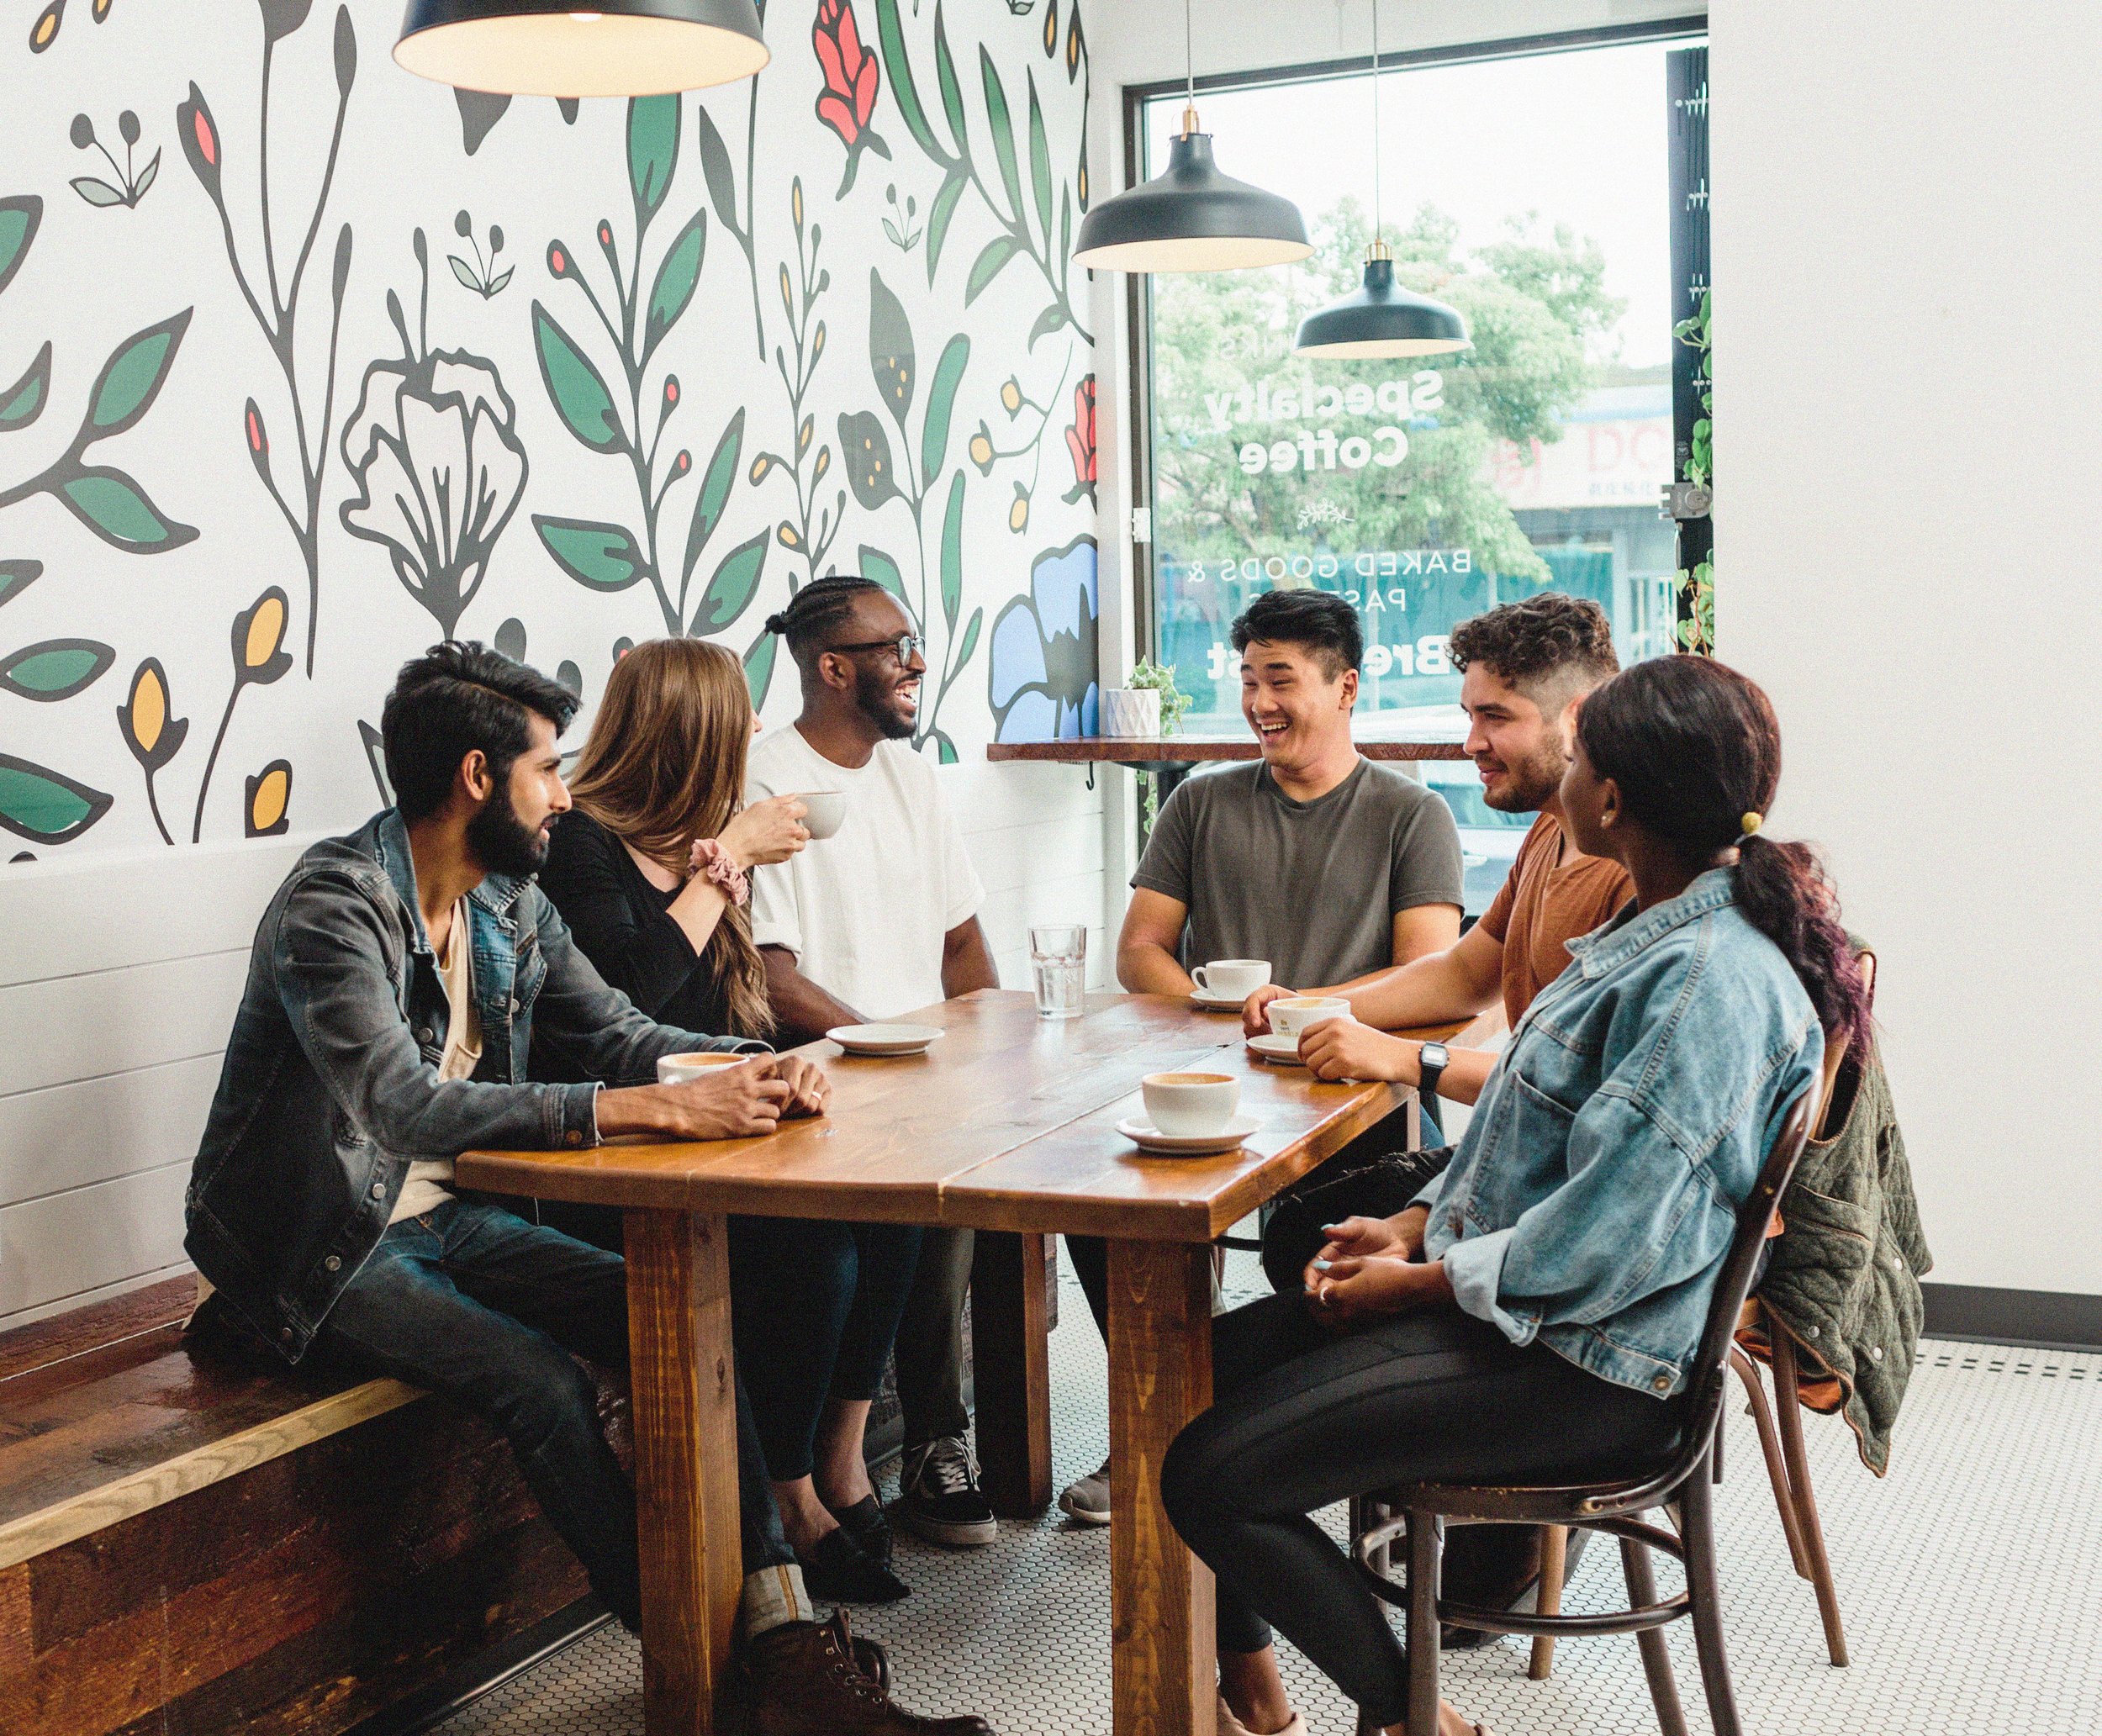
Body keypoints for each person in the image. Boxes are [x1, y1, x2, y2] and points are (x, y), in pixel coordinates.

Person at [183, 641, 991, 1736]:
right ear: (478, 777)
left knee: (680, 1323)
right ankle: (731, 1669)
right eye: (547, 768)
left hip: (454, 1216)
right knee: (542, 1383)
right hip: (326, 1243)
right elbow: (402, 1107)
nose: (568, 792)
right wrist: (650, 1109)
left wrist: (749, 1063)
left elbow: (616, 1030)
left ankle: (784, 1640)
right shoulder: (336, 906)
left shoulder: (504, 900)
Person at [1159, 653, 1862, 1736]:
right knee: (1180, 1378)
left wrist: (1411, 1286)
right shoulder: (1663, 932)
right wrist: (1408, 1221)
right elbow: (1547, 1150)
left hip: (1587, 1366)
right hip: (1543, 1321)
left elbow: (1600, 1244)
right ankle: (1267, 1682)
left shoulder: (1698, 982)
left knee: (1213, 1473)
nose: (1561, 772)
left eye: (1578, 759)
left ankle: (1415, 1718)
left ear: (1613, 798)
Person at [1061, 587, 1464, 1524]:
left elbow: (1429, 976)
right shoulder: (1200, 799)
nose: (1258, 702)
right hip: (1213, 1081)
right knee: (1096, 1193)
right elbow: (1139, 952)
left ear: (1346, 687)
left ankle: (1310, 1431)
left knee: (1328, 1229)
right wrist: (1217, 1007)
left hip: (1359, 1097)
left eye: (1280, 679)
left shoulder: (1413, 814)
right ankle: (1157, 1416)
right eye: (1246, 679)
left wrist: (1305, 1017)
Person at [536, 637, 925, 1603]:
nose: (756, 730)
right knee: (817, 1254)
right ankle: (788, 1494)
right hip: (608, 1155)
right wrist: (729, 867)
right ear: (688, 734)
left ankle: (839, 1460)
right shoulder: (581, 845)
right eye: (738, 714)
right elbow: (625, 1002)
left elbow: (721, 1022)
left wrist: (776, 1071)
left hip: (712, 1134)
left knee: (900, 1207)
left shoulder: (695, 843)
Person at [1243, 592, 1633, 1291]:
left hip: (1563, 1191)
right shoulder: (1551, 830)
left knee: (1304, 1243)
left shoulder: (1629, 868)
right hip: (1523, 1153)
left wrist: (1402, 1056)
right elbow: (1461, 973)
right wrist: (1313, 1005)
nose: (1470, 742)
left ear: (1575, 719)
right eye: (1468, 715)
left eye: (1495, 718)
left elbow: (1578, 1093)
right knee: (1301, 1232)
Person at [744, 577, 1003, 1552]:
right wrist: (883, 1051)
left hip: (917, 1067)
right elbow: (772, 981)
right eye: (896, 647)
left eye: (915, 641)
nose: (917, 664)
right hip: (819, 1075)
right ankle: (940, 1442)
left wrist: (999, 1058)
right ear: (832, 666)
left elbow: (962, 939)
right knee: (928, 1201)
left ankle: (946, 1442)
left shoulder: (912, 774)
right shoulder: (767, 782)